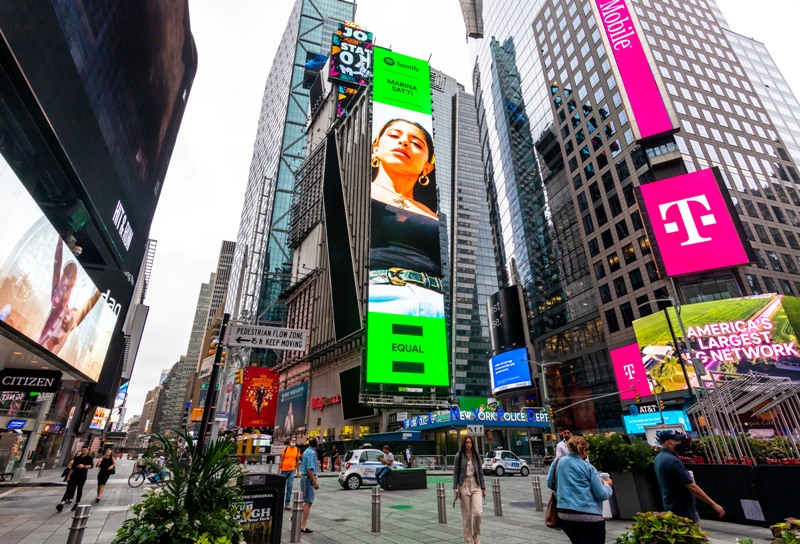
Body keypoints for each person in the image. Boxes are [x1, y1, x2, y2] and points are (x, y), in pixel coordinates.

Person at [369, 118, 444, 319]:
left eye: (417, 143)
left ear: (427, 168)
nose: (403, 142)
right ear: (375, 149)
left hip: (439, 305)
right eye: (394, 135)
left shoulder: (435, 214)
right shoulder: (356, 190)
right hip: (380, 297)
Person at [546, 436, 612, 544]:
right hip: (588, 516)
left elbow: (550, 484)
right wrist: (608, 485)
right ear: (584, 450)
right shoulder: (588, 467)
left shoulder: (557, 462)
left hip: (564, 514)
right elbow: (602, 495)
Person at [39, 242, 102, 354]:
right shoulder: (59, 306)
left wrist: (103, 288)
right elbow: (56, 270)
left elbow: (89, 305)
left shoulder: (69, 318)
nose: (69, 314)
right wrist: (60, 243)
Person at [654, 430, 725, 522]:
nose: (681, 443)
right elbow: (691, 486)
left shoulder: (659, 458)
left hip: (671, 506)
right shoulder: (673, 461)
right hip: (683, 512)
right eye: (677, 441)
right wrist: (713, 504)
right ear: (668, 443)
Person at [453, 436, 486, 544]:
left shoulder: (476, 456)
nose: (469, 444)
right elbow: (456, 472)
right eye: (467, 442)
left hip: (476, 485)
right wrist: (455, 487)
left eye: (470, 442)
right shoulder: (459, 456)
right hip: (464, 485)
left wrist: (484, 487)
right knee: (466, 515)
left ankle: (475, 534)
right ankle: (468, 539)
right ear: (464, 444)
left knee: (478, 513)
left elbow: (480, 472)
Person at [57, 446, 93, 512]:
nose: (83, 451)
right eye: (82, 450)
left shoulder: (89, 458)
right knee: (69, 488)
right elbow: (72, 468)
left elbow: (91, 466)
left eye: (85, 450)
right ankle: (62, 503)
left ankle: (77, 503)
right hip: (74, 475)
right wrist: (68, 476)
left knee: (79, 489)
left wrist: (84, 466)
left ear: (87, 451)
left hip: (82, 476)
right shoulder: (77, 458)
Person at [299, 437, 320, 534]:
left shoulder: (307, 451)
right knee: (309, 501)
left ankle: (296, 516)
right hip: (308, 479)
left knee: (306, 500)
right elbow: (309, 470)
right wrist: (315, 481)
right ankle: (303, 526)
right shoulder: (311, 453)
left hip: (304, 478)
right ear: (316, 444)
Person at [280, 438, 302, 510]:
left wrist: (298, 472)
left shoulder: (297, 450)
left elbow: (298, 461)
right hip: (284, 470)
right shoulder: (285, 449)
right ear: (290, 441)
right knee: (282, 487)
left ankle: (287, 503)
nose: (293, 442)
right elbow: (281, 460)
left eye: (295, 441)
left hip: (292, 470)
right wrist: (278, 472)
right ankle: (279, 502)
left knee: (290, 486)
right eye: (292, 440)